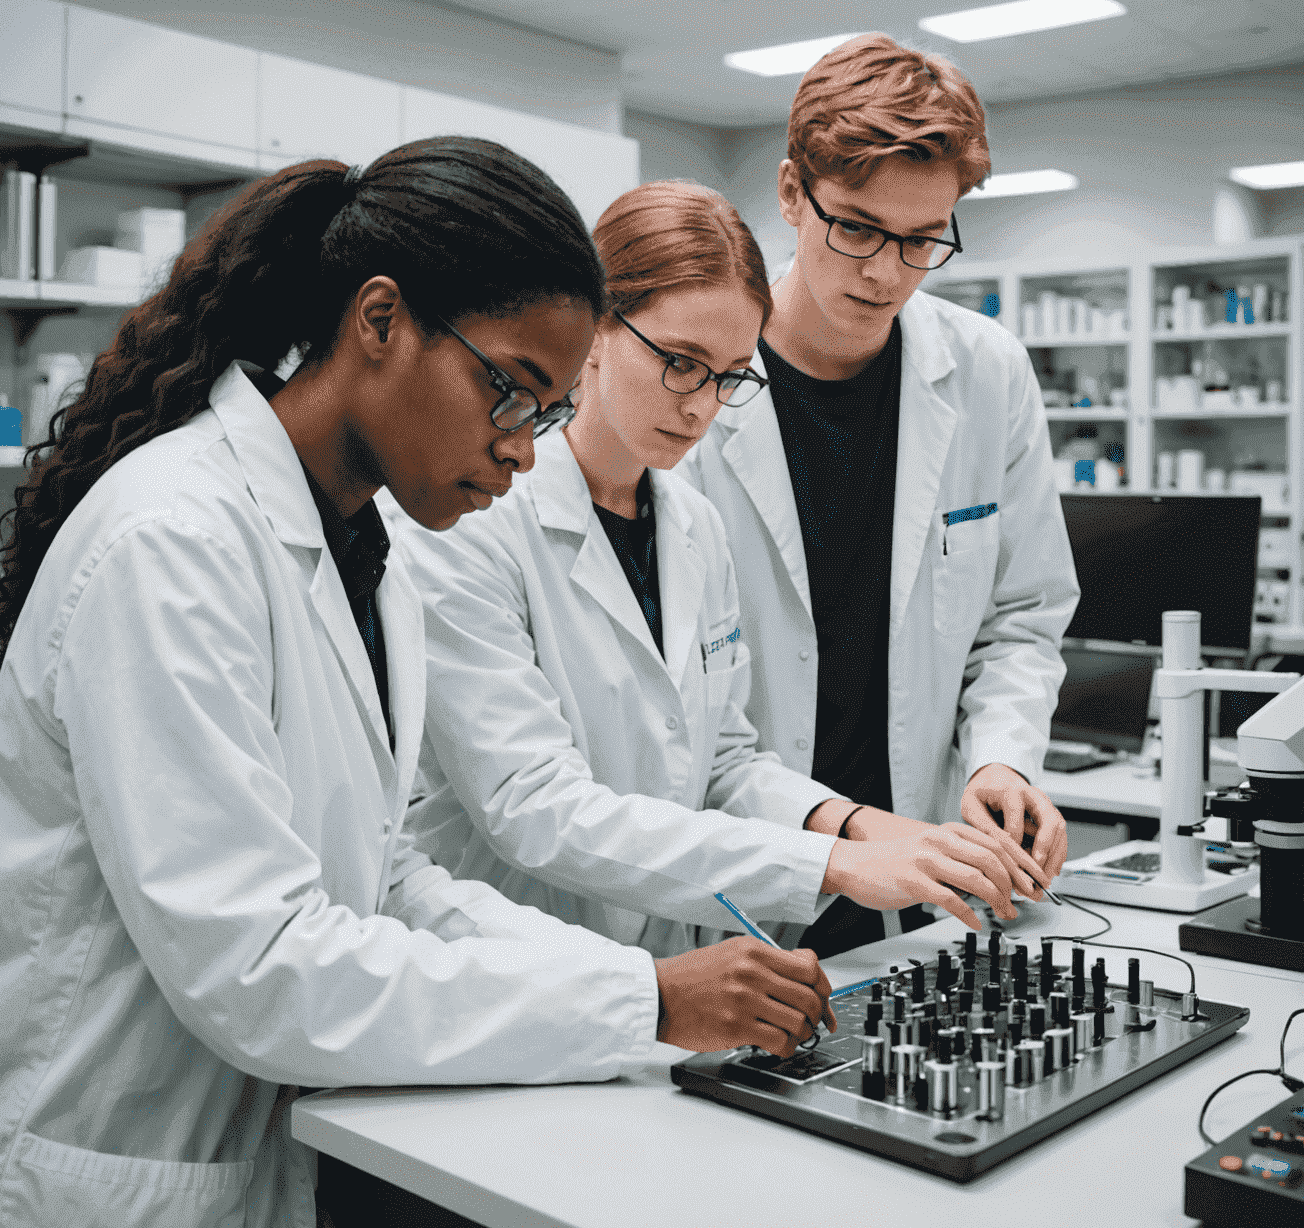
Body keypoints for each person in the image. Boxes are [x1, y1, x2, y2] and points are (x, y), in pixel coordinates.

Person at [0, 142, 836, 1228]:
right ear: (380, 321)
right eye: (512, 389)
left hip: (226, 1195)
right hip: (65, 1222)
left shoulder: (366, 559)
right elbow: (263, 966)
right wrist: (640, 1004)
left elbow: (381, 878)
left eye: (547, 408)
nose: (524, 447)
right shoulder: (172, 543)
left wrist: (641, 984)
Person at [393, 179, 1050, 966]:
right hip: (512, 963)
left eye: (732, 375)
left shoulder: (692, 526)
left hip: (668, 969)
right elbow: (534, 807)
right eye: (680, 362)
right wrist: (837, 864)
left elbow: (725, 765)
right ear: (596, 330)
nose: (702, 405)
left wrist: (870, 827)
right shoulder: (476, 522)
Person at [680, 35, 1080, 958]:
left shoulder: (987, 371)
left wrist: (1002, 760)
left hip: (920, 876)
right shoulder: (694, 390)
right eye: (856, 227)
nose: (885, 272)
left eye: (922, 238)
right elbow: (687, 704)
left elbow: (1021, 620)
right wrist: (838, 833)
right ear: (791, 193)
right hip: (740, 873)